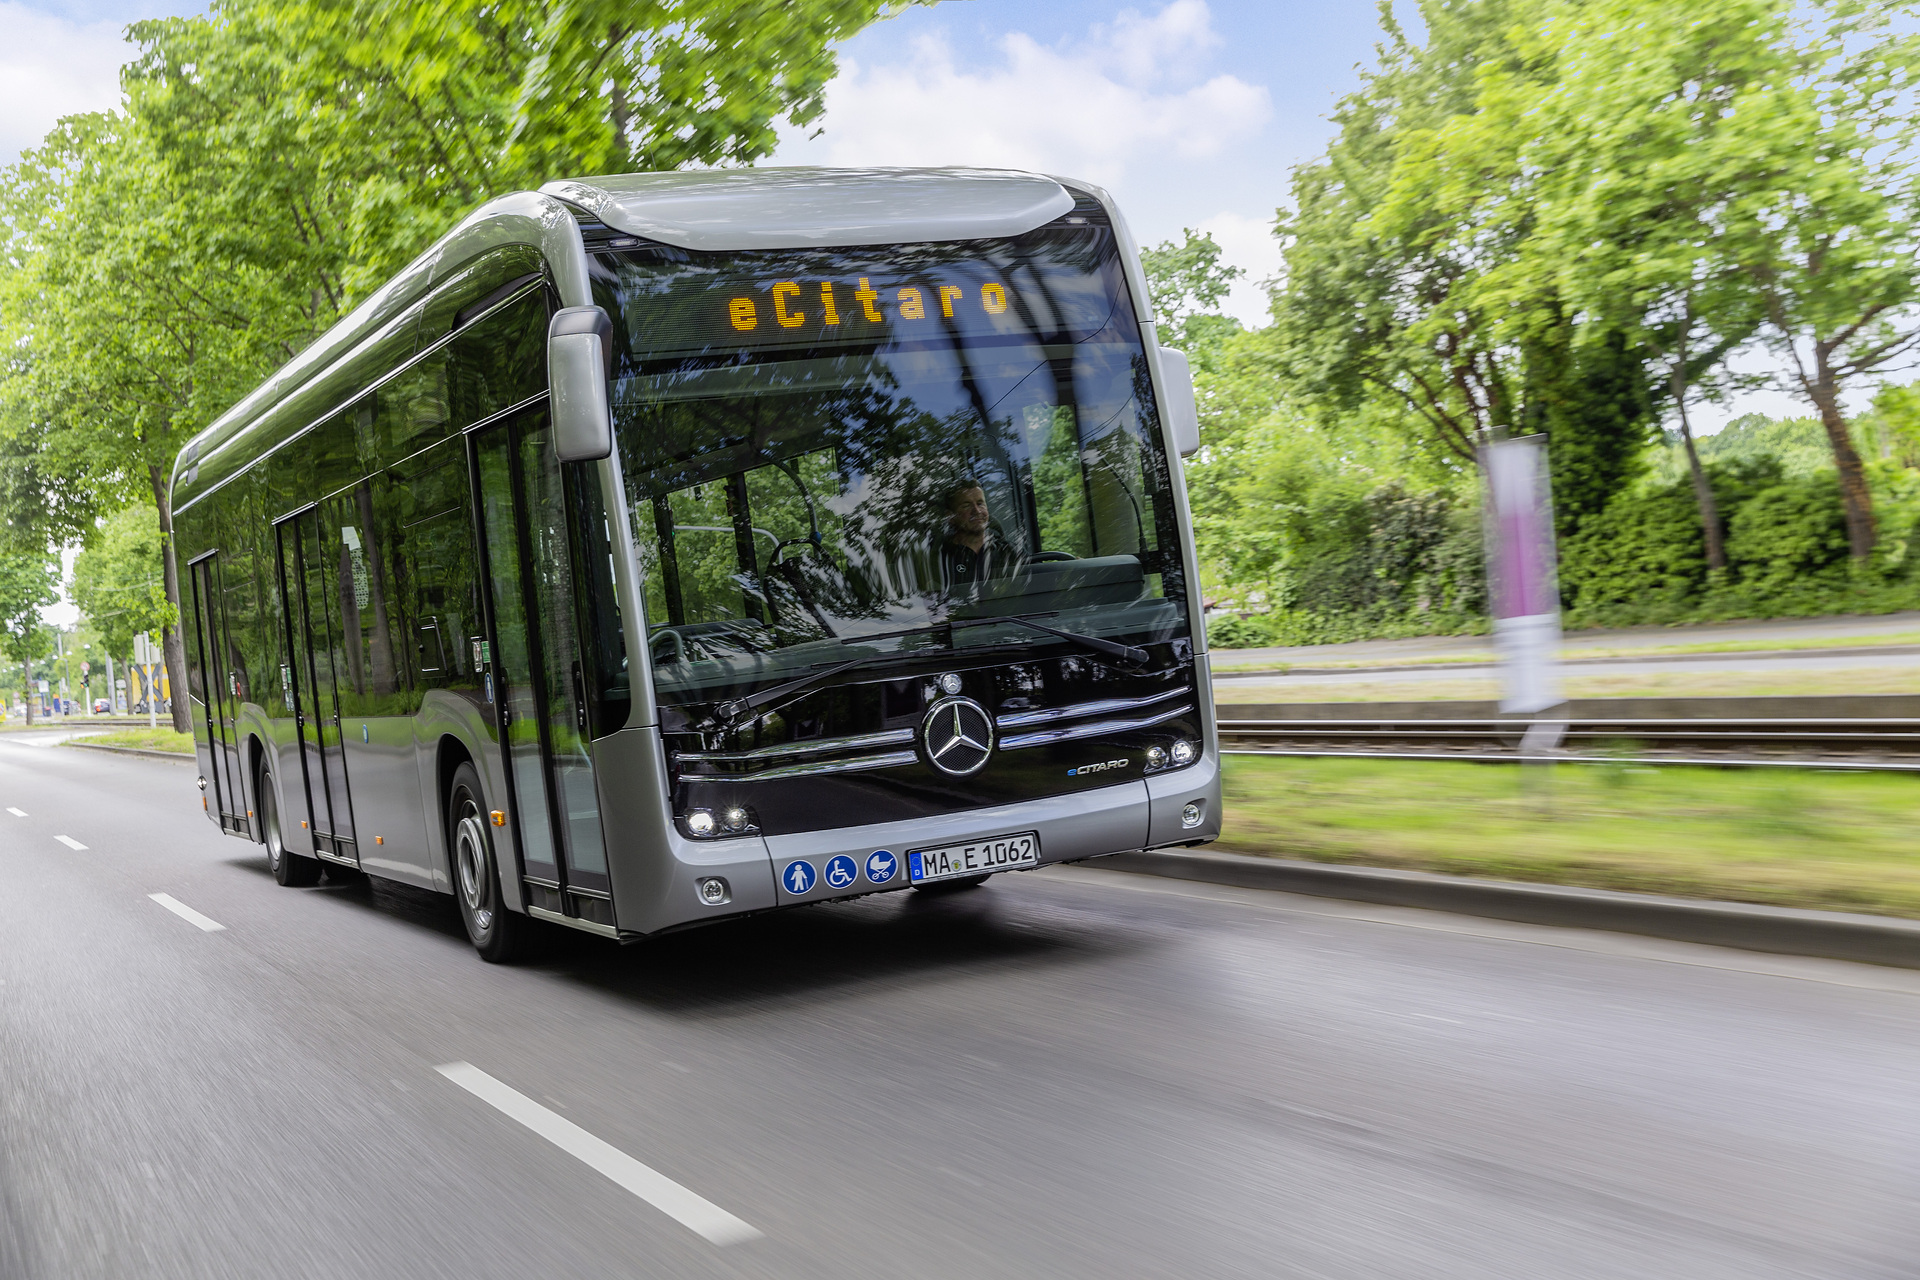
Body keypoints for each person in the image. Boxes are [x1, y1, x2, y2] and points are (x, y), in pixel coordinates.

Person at [936, 479, 1018, 594]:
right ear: (950, 516)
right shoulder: (940, 559)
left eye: (980, 503)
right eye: (966, 506)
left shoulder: (1010, 552)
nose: (977, 511)